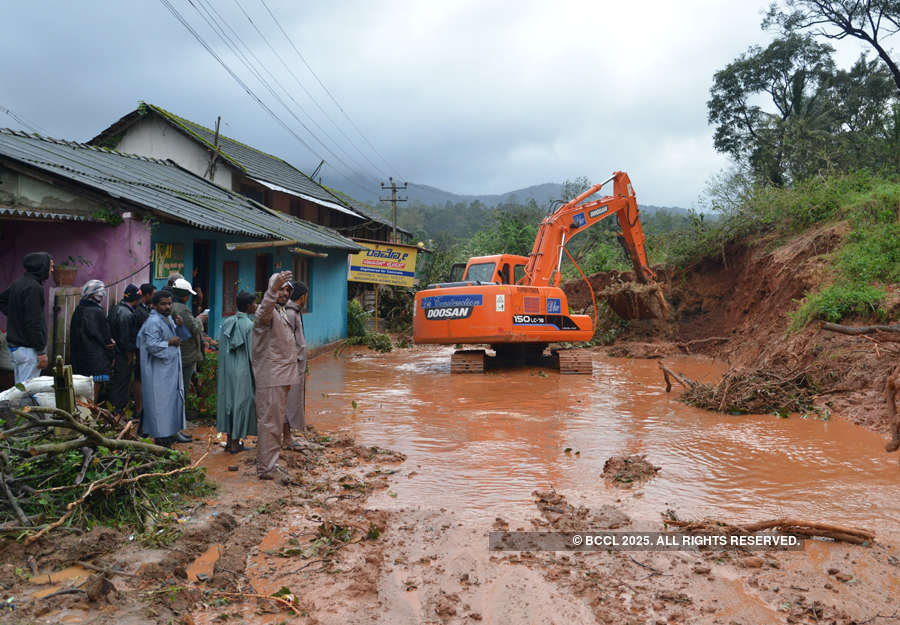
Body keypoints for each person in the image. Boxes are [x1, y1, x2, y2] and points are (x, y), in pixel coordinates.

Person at [252, 271, 300, 480]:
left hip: (281, 377)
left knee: (275, 422)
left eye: (287, 289)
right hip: (271, 377)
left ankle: (270, 464)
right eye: (280, 288)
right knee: (269, 424)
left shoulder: (281, 311)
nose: (284, 292)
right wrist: (271, 291)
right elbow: (264, 312)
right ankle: (266, 469)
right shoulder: (267, 313)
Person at [136, 289, 186, 447]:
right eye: (163, 304)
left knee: (169, 405)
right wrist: (168, 343)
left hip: (169, 372)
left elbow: (180, 339)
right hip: (158, 373)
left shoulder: (168, 319)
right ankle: (161, 442)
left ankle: (169, 437)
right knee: (160, 407)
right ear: (154, 305)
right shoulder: (153, 322)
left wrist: (180, 326)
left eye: (169, 303)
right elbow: (152, 346)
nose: (167, 307)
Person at [0, 252, 53, 383]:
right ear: (42, 266)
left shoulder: (19, 283)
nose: (51, 270)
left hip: (17, 347)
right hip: (28, 349)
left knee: (21, 388)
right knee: (26, 391)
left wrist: (15, 316)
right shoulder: (34, 288)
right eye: (50, 266)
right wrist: (41, 351)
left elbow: (2, 300)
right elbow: (34, 322)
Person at [217, 291, 258, 453]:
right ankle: (235, 443)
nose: (256, 306)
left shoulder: (227, 322)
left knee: (228, 403)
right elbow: (252, 354)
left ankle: (228, 441)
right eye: (254, 304)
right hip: (242, 372)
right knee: (241, 404)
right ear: (248, 306)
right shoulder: (249, 325)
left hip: (227, 370)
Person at [70, 280, 114, 399]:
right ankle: (90, 412)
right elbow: (104, 335)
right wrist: (110, 345)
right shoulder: (97, 311)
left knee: (81, 389)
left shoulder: (78, 309)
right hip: (96, 358)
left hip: (79, 356)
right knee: (93, 391)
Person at [107, 284, 140, 414]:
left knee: (117, 381)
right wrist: (129, 353)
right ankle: (117, 410)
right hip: (122, 353)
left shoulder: (115, 309)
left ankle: (115, 408)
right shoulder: (126, 314)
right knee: (122, 381)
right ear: (136, 299)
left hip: (114, 351)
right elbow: (125, 337)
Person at [170, 278, 205, 399]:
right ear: (185, 295)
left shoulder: (171, 306)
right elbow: (194, 328)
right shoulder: (182, 310)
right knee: (181, 388)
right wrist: (201, 319)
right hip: (186, 354)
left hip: (178, 352)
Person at [284, 281, 308, 445]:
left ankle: (287, 434)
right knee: (289, 401)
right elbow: (287, 340)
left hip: (297, 364)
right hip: (291, 365)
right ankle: (286, 437)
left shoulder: (295, 312)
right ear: (303, 296)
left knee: (293, 400)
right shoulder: (291, 314)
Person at [132, 283, 155, 419]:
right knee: (139, 378)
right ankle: (139, 409)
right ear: (147, 295)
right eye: (153, 294)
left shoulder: (144, 309)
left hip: (144, 349)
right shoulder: (140, 311)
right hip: (141, 350)